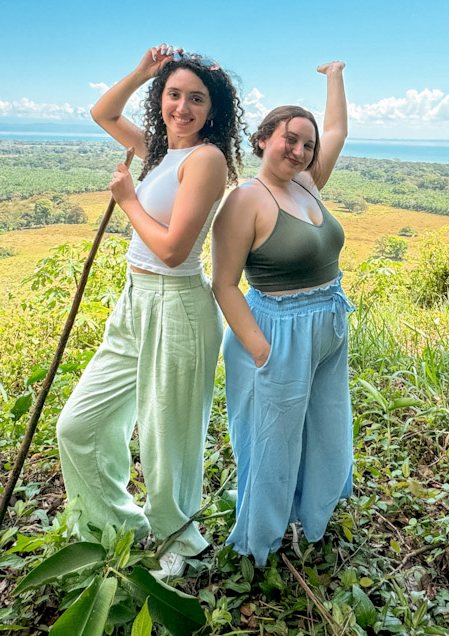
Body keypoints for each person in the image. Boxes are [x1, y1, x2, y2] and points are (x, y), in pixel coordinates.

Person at [56, 44, 245, 577]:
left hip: (177, 303)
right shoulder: (160, 152)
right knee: (78, 427)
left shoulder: (206, 160)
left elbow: (173, 250)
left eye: (197, 99)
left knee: (168, 438)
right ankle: (118, 526)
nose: (182, 107)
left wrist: (128, 200)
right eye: (173, 93)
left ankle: (180, 544)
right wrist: (143, 71)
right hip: (135, 302)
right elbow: (103, 114)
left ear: (214, 112)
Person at [211, 61, 351, 564]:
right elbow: (223, 284)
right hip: (276, 331)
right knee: (273, 444)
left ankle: (313, 516)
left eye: (306, 144)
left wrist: (334, 74)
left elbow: (336, 129)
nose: (300, 150)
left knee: (326, 428)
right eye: (289, 139)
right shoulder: (245, 200)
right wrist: (261, 350)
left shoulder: (308, 184)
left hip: (328, 325)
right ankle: (258, 542)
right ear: (264, 138)